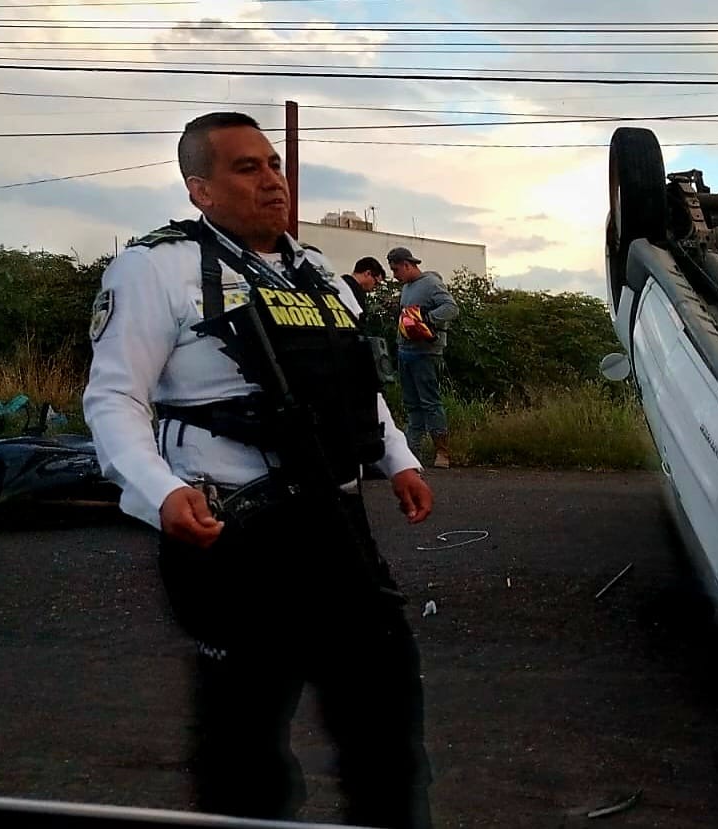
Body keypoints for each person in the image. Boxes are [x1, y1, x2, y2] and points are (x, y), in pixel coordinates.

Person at [82, 112, 435, 829]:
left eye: (274, 164)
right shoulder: (158, 267)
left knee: (385, 719)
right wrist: (161, 492)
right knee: (243, 744)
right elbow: (114, 396)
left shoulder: (319, 275)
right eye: (247, 168)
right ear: (200, 189)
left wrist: (398, 459)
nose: (272, 179)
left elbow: (354, 385)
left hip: (337, 525)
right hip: (234, 533)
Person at [389, 247, 458, 469]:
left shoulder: (430, 284)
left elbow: (451, 308)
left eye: (396, 269)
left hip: (425, 353)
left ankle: (442, 453)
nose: (394, 274)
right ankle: (412, 453)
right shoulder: (407, 288)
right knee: (412, 405)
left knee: (429, 403)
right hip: (405, 350)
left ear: (408, 265)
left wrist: (428, 319)